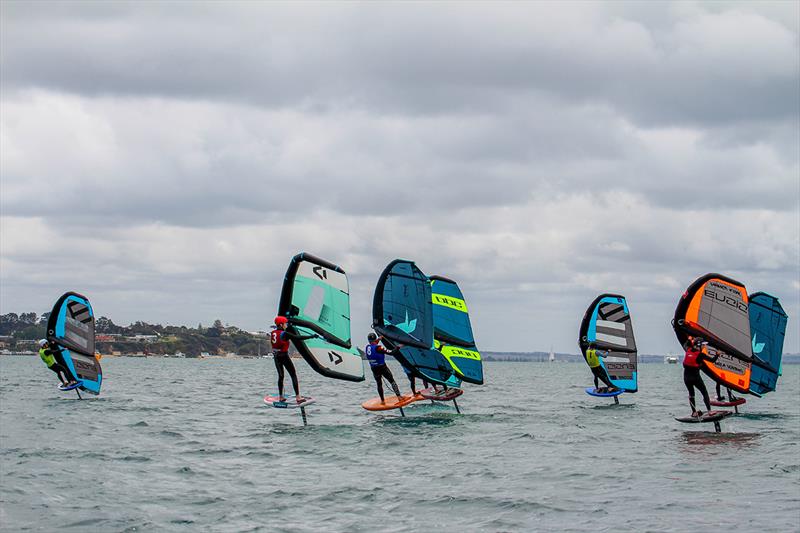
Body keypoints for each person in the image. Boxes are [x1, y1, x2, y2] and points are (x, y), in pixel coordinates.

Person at [270, 316, 317, 403]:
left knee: (281, 376)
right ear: (281, 324)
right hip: (284, 356)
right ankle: (298, 397)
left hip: (276, 357)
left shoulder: (273, 333)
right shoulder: (284, 334)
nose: (286, 325)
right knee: (293, 374)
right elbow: (298, 338)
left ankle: (280, 397)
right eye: (285, 323)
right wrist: (311, 336)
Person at [683, 336, 718, 417]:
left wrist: (689, 339)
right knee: (704, 393)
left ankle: (694, 412)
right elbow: (713, 360)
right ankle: (709, 411)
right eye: (703, 345)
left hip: (686, 379)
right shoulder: (701, 355)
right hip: (696, 378)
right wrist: (717, 354)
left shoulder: (687, 350)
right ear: (699, 345)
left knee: (691, 394)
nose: (704, 346)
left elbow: (685, 344)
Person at [365, 333, 402, 403]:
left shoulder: (367, 347)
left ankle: (382, 401)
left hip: (374, 368)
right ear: (375, 339)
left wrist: (379, 339)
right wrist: (398, 347)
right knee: (392, 381)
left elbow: (373, 345)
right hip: (382, 367)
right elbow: (391, 352)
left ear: (368, 340)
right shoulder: (379, 348)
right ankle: (399, 397)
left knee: (379, 384)